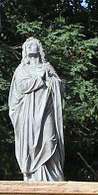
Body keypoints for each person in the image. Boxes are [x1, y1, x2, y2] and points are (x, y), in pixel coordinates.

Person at [8, 37, 65, 182]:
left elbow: (60, 87)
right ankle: (34, 176)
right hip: (29, 114)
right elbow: (21, 87)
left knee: (50, 139)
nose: (30, 47)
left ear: (39, 49)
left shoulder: (48, 67)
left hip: (46, 110)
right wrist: (40, 79)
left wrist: (52, 81)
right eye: (27, 46)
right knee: (31, 144)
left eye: (33, 45)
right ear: (24, 51)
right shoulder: (22, 69)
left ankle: (52, 176)